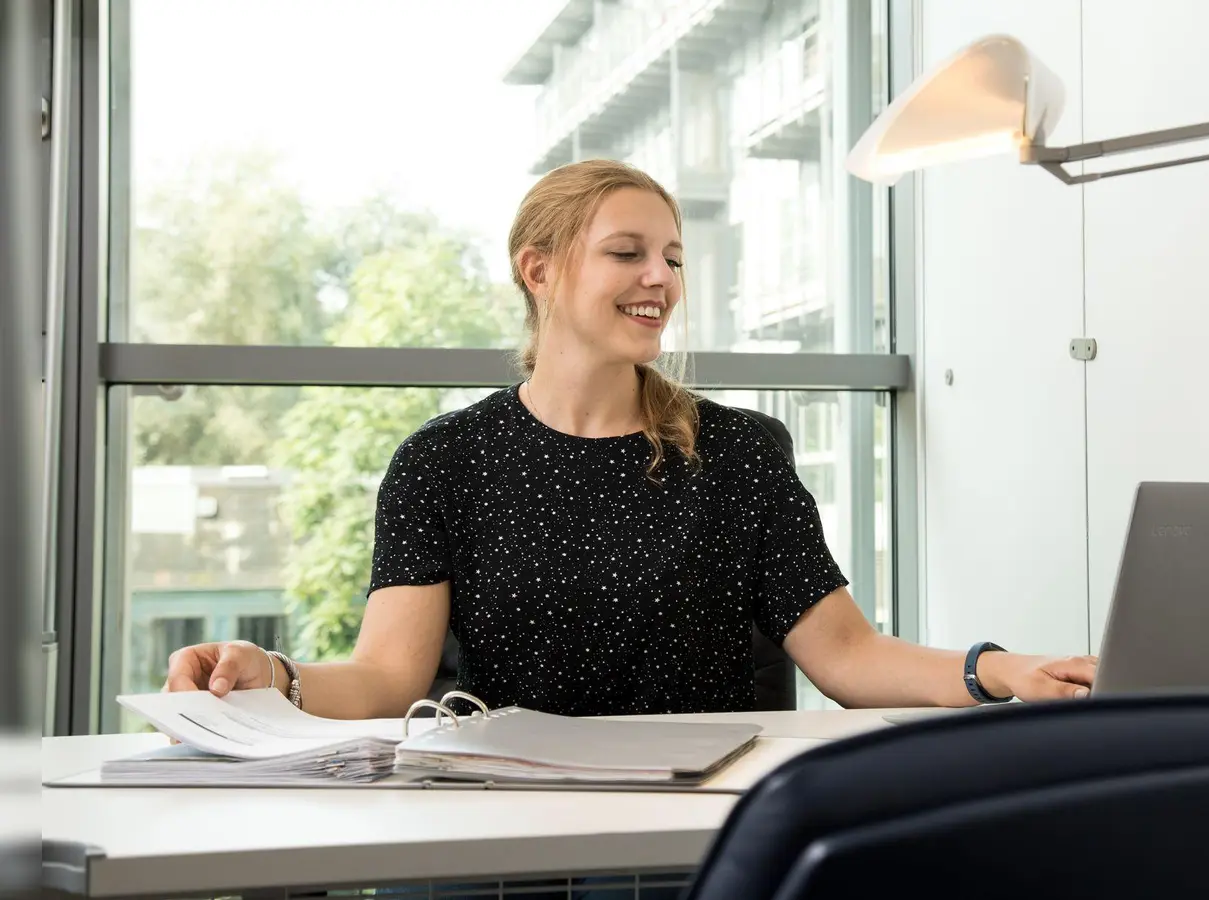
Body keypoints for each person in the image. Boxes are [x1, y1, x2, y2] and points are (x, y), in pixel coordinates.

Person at [164, 158, 1097, 719]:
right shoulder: (441, 463)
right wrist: (272, 677)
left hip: (699, 831)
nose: (662, 277)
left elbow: (847, 657)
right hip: (506, 831)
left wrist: (1000, 670)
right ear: (539, 270)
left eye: (675, 257)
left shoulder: (736, 457)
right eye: (628, 253)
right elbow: (384, 675)